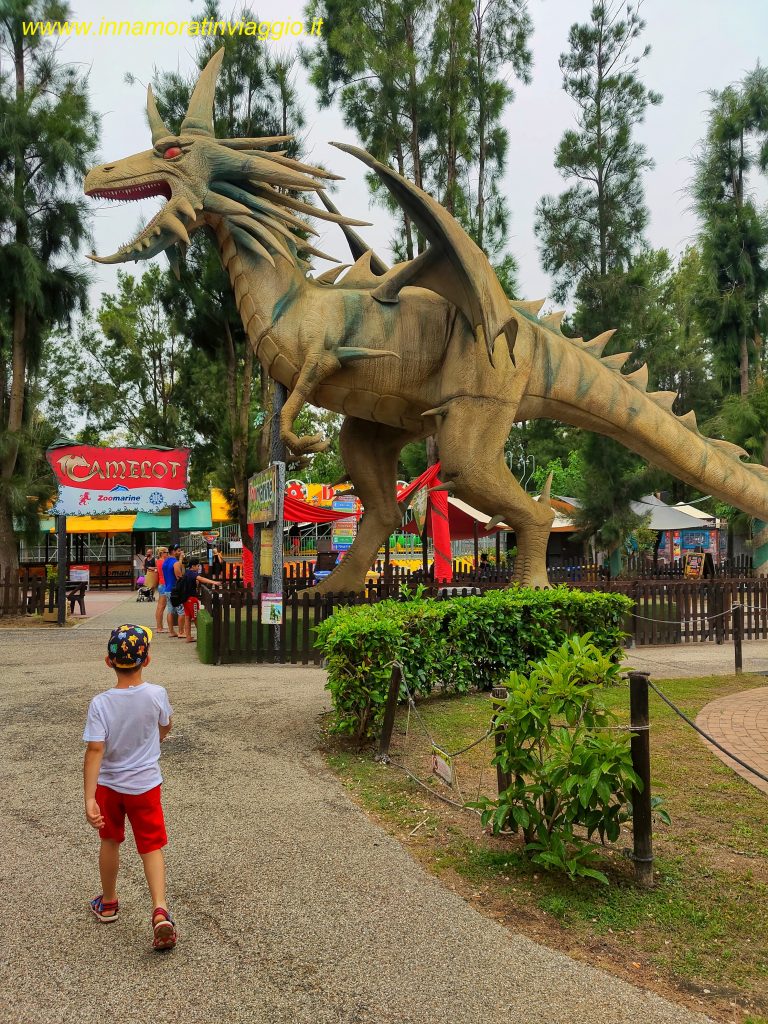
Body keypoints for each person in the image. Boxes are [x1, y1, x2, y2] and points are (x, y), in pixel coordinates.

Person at [83, 623, 177, 950]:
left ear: (108, 662)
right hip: (145, 786)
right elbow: (165, 726)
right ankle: (160, 910)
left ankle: (108, 903)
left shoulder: (100, 704)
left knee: (109, 841)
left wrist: (89, 797)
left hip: (109, 786)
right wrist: (155, 740)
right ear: (147, 660)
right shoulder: (156, 694)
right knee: (151, 846)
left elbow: (95, 749)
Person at [178, 556, 219, 643]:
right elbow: (202, 579)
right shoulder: (193, 573)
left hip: (185, 599)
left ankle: (188, 637)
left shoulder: (187, 572)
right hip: (192, 599)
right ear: (193, 566)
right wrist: (214, 582)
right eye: (197, 566)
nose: (198, 568)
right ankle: (202, 635)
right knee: (196, 618)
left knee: (187, 618)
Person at [163, 546, 186, 637]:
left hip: (167, 589)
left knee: (170, 611)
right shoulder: (175, 563)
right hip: (175, 590)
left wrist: (180, 559)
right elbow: (179, 577)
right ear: (173, 551)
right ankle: (181, 632)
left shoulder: (166, 562)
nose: (180, 552)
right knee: (181, 611)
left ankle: (171, 631)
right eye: (178, 551)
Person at [154, 547, 169, 632]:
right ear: (162, 553)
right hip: (164, 584)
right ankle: (159, 627)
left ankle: (159, 626)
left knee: (159, 607)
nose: (168, 554)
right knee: (161, 607)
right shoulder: (163, 562)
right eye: (167, 552)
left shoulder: (158, 561)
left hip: (161, 584)